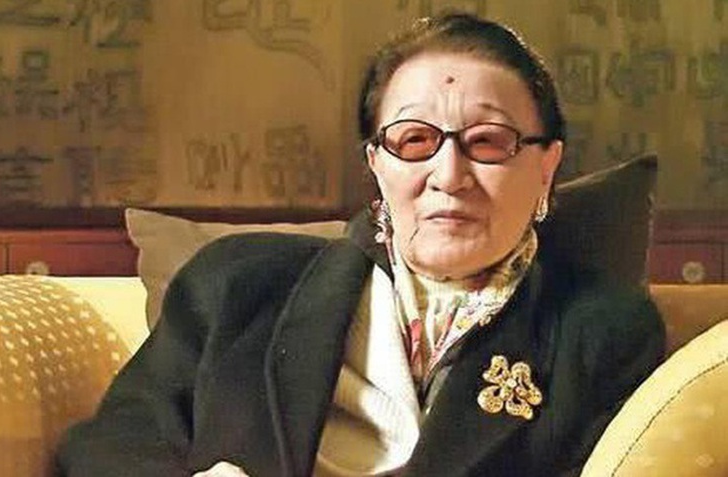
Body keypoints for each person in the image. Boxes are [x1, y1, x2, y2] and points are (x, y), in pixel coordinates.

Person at [56, 12, 664, 477]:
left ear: (545, 166)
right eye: (414, 141)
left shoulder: (602, 330)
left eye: (487, 141)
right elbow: (106, 453)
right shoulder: (235, 284)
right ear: (377, 164)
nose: (449, 176)